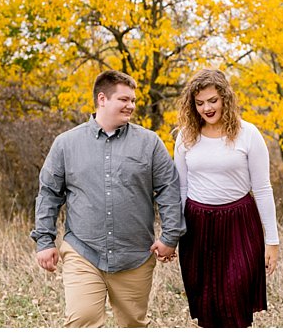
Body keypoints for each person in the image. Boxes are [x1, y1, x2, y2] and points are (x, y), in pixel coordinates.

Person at [31, 70, 184, 328]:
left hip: (135, 255)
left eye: (133, 100)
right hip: (83, 251)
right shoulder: (66, 144)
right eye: (124, 100)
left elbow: (169, 190)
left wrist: (170, 237)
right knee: (82, 320)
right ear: (102, 99)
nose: (131, 106)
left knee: (133, 324)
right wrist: (44, 241)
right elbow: (48, 193)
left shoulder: (150, 143)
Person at [173, 68, 280, 329]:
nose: (206, 108)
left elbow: (263, 188)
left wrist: (272, 241)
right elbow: (180, 189)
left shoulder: (248, 134)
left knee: (235, 302)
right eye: (199, 103)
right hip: (198, 226)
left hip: (239, 224)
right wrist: (172, 234)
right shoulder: (186, 137)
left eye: (212, 100)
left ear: (225, 98)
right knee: (207, 305)